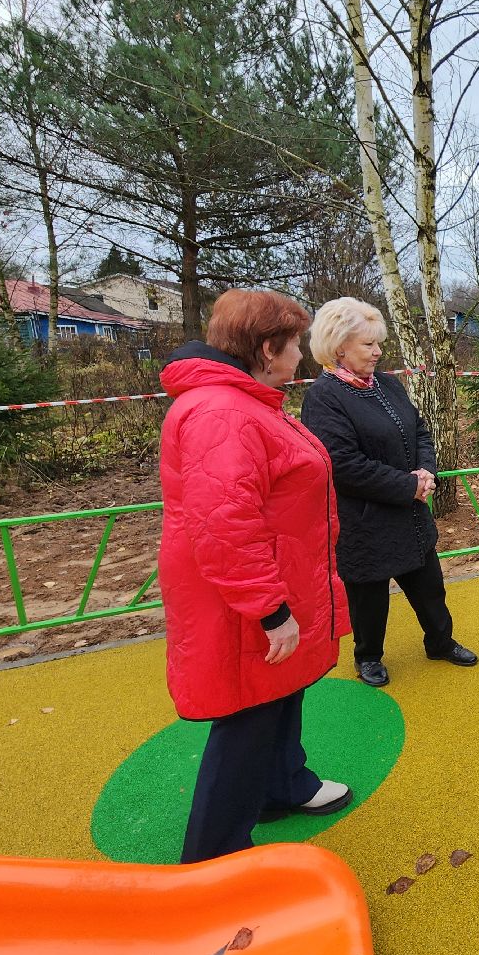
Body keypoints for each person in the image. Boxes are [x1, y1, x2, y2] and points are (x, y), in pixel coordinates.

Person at [158, 289, 353, 864]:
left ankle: (281, 785)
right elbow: (224, 526)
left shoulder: (247, 402)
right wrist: (269, 609)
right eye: (295, 346)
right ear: (269, 349)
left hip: (275, 577)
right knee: (249, 715)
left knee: (278, 690)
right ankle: (214, 855)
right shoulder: (223, 413)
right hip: (245, 596)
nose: (302, 358)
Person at [300, 298, 478, 688]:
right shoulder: (324, 397)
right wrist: (409, 485)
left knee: (430, 588)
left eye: (379, 343)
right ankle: (368, 656)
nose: (379, 351)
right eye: (369, 345)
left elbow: (419, 432)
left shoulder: (389, 384)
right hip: (365, 522)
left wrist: (426, 472)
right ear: (339, 346)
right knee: (369, 598)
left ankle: (440, 642)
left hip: (410, 515)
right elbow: (342, 465)